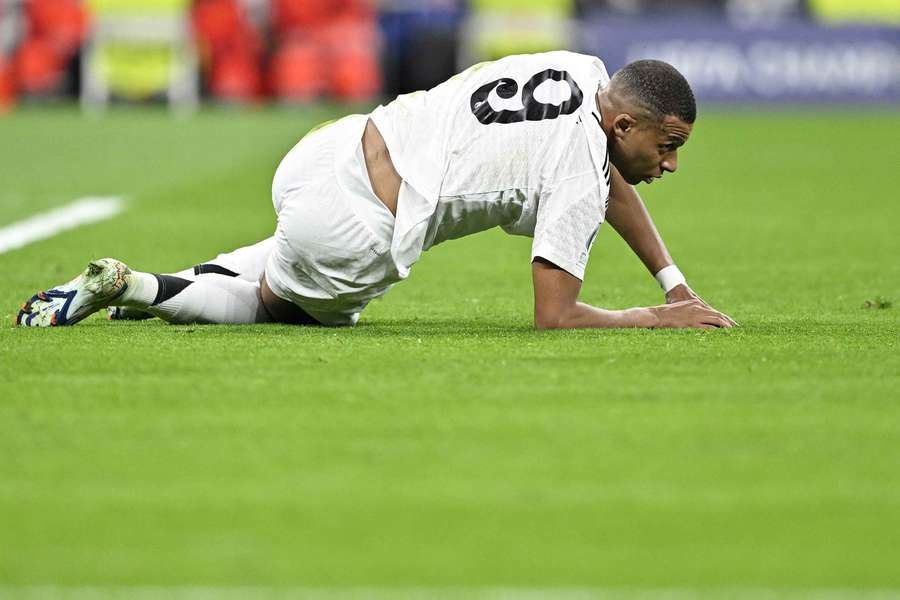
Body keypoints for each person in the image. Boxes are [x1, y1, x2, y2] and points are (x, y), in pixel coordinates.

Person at [16, 51, 736, 330]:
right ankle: (140, 288)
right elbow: (556, 317)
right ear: (621, 122)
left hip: (332, 150)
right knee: (275, 310)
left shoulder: (581, 67)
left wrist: (674, 281)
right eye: (665, 146)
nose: (669, 164)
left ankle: (142, 292)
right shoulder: (583, 162)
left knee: (283, 254)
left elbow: (611, 181)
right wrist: (656, 316)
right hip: (357, 230)